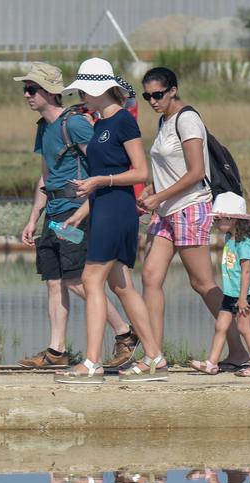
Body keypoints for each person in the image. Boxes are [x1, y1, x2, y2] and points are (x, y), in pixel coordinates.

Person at [13, 62, 138, 370]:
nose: (27, 95)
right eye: (25, 89)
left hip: (73, 212)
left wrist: (86, 210)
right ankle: (56, 350)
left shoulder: (76, 124)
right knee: (54, 280)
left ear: (51, 93)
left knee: (77, 280)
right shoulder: (43, 128)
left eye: (32, 89)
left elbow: (99, 165)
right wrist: (32, 218)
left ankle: (124, 332)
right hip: (53, 213)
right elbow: (45, 176)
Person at [54, 58, 167, 384]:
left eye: (83, 92)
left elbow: (140, 172)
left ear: (98, 90)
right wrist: (79, 214)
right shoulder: (100, 124)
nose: (80, 99)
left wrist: (100, 181)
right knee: (121, 285)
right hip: (103, 208)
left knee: (91, 280)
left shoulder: (122, 122)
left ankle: (92, 362)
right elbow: (100, 179)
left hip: (118, 209)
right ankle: (155, 357)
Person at [137, 66, 249, 369]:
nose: (152, 101)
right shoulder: (165, 121)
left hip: (189, 207)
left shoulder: (187, 120)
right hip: (165, 211)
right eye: (147, 96)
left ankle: (240, 346)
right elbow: (168, 169)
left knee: (202, 283)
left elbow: (197, 172)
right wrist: (152, 191)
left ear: (173, 90)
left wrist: (159, 196)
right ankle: (154, 355)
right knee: (150, 277)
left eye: (157, 94)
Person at [188, 193, 250, 377]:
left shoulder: (243, 243)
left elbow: (246, 272)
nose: (215, 222)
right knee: (221, 326)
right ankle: (211, 363)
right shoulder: (229, 239)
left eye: (218, 219)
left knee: (243, 328)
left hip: (244, 294)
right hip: (231, 294)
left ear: (231, 219)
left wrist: (242, 298)